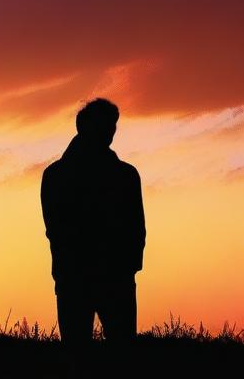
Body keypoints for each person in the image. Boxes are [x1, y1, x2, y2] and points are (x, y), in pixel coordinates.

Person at [41, 98, 146, 362]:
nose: (110, 131)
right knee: (86, 355)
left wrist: (129, 265)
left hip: (100, 276)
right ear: (83, 127)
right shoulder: (58, 175)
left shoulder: (124, 175)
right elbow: (55, 228)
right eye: (104, 125)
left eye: (112, 126)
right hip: (81, 276)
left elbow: (137, 228)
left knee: (111, 355)